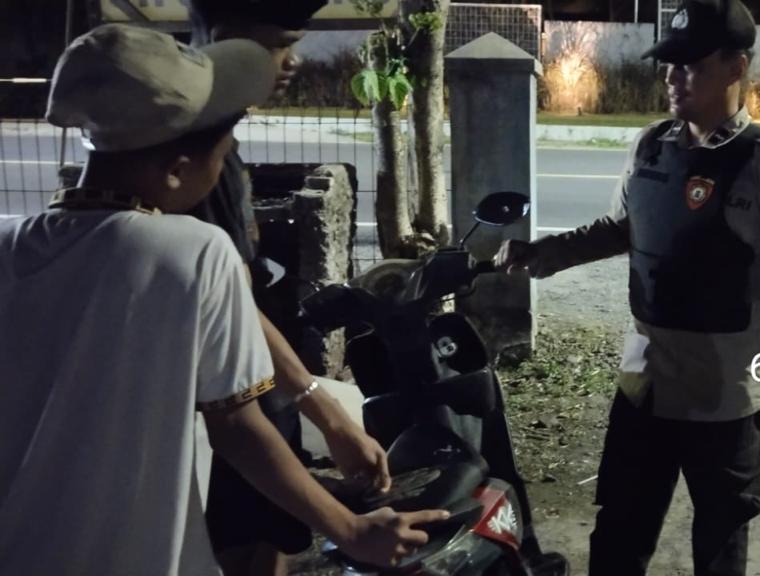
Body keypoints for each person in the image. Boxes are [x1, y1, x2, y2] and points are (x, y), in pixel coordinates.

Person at [0, 24, 447, 575]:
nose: (228, 166)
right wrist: (352, 530)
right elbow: (238, 429)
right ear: (177, 170)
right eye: (225, 154)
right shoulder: (195, 251)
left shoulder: (8, 243)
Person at [495, 1, 760, 574]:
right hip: (645, 384)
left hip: (723, 397)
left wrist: (758, 327)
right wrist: (545, 254)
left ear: (736, 67)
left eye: (691, 65)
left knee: (719, 544)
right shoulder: (651, 145)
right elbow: (622, 228)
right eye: (669, 64)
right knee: (619, 533)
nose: (672, 77)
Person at [183, 2, 393, 574]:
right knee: (246, 546)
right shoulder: (196, 153)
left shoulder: (209, 140)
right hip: (228, 406)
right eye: (278, 44)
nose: (293, 60)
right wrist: (325, 412)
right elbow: (232, 306)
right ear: (225, 39)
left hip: (247, 393)